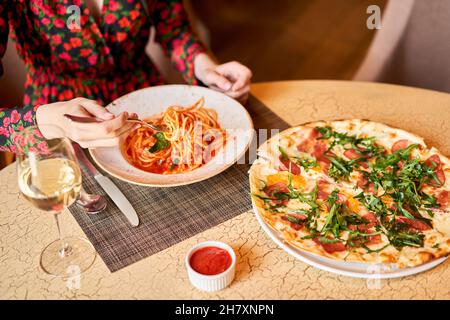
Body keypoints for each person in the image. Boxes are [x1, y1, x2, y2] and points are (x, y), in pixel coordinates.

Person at [0, 0, 252, 152]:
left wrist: (205, 68)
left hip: (146, 107)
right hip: (55, 120)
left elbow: (174, 29)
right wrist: (50, 122)